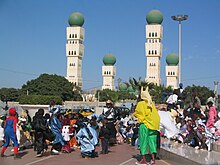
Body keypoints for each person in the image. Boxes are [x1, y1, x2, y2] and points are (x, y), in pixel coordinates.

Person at [134, 86, 160, 165]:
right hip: (153, 127)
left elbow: (137, 114)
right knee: (152, 143)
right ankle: (153, 160)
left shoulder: (141, 104)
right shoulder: (152, 104)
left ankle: (144, 160)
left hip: (144, 126)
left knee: (143, 142)